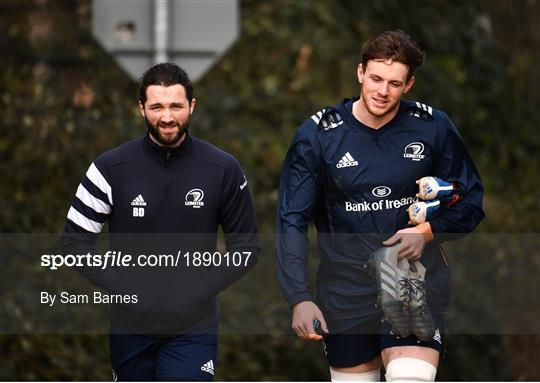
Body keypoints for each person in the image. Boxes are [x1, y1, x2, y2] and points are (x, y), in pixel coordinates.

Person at [276, 30, 484, 381]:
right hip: (344, 291)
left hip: (412, 285)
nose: (382, 91)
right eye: (375, 78)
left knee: (410, 377)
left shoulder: (433, 127)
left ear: (409, 84)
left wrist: (427, 233)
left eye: (394, 83)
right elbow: (291, 221)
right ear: (360, 73)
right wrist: (298, 296)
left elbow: (471, 201)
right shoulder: (318, 136)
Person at [61, 63, 260, 381]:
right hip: (129, 328)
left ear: (192, 106)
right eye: (156, 106)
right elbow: (74, 244)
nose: (167, 117)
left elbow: (247, 247)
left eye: (176, 106)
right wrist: (120, 285)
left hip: (194, 328)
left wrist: (203, 286)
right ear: (141, 108)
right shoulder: (109, 168)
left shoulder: (222, 168)